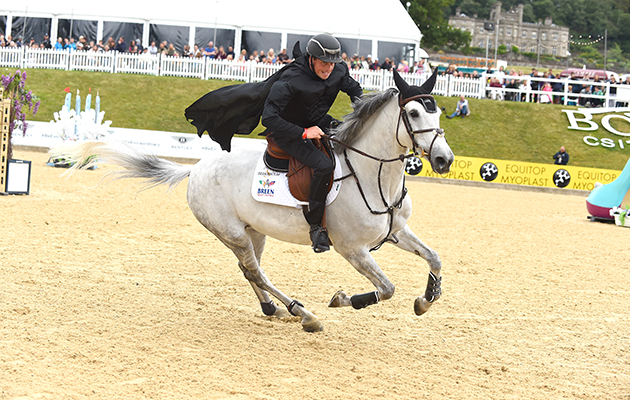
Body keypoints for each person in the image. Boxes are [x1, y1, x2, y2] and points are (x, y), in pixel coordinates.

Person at [185, 34, 363, 253]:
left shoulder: (338, 69)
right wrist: (304, 133)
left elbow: (355, 90)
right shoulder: (290, 80)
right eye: (323, 63)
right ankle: (317, 228)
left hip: (316, 121)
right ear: (311, 59)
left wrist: (361, 114)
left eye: (332, 63)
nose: (328, 68)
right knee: (324, 165)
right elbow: (269, 118)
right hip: (286, 130)